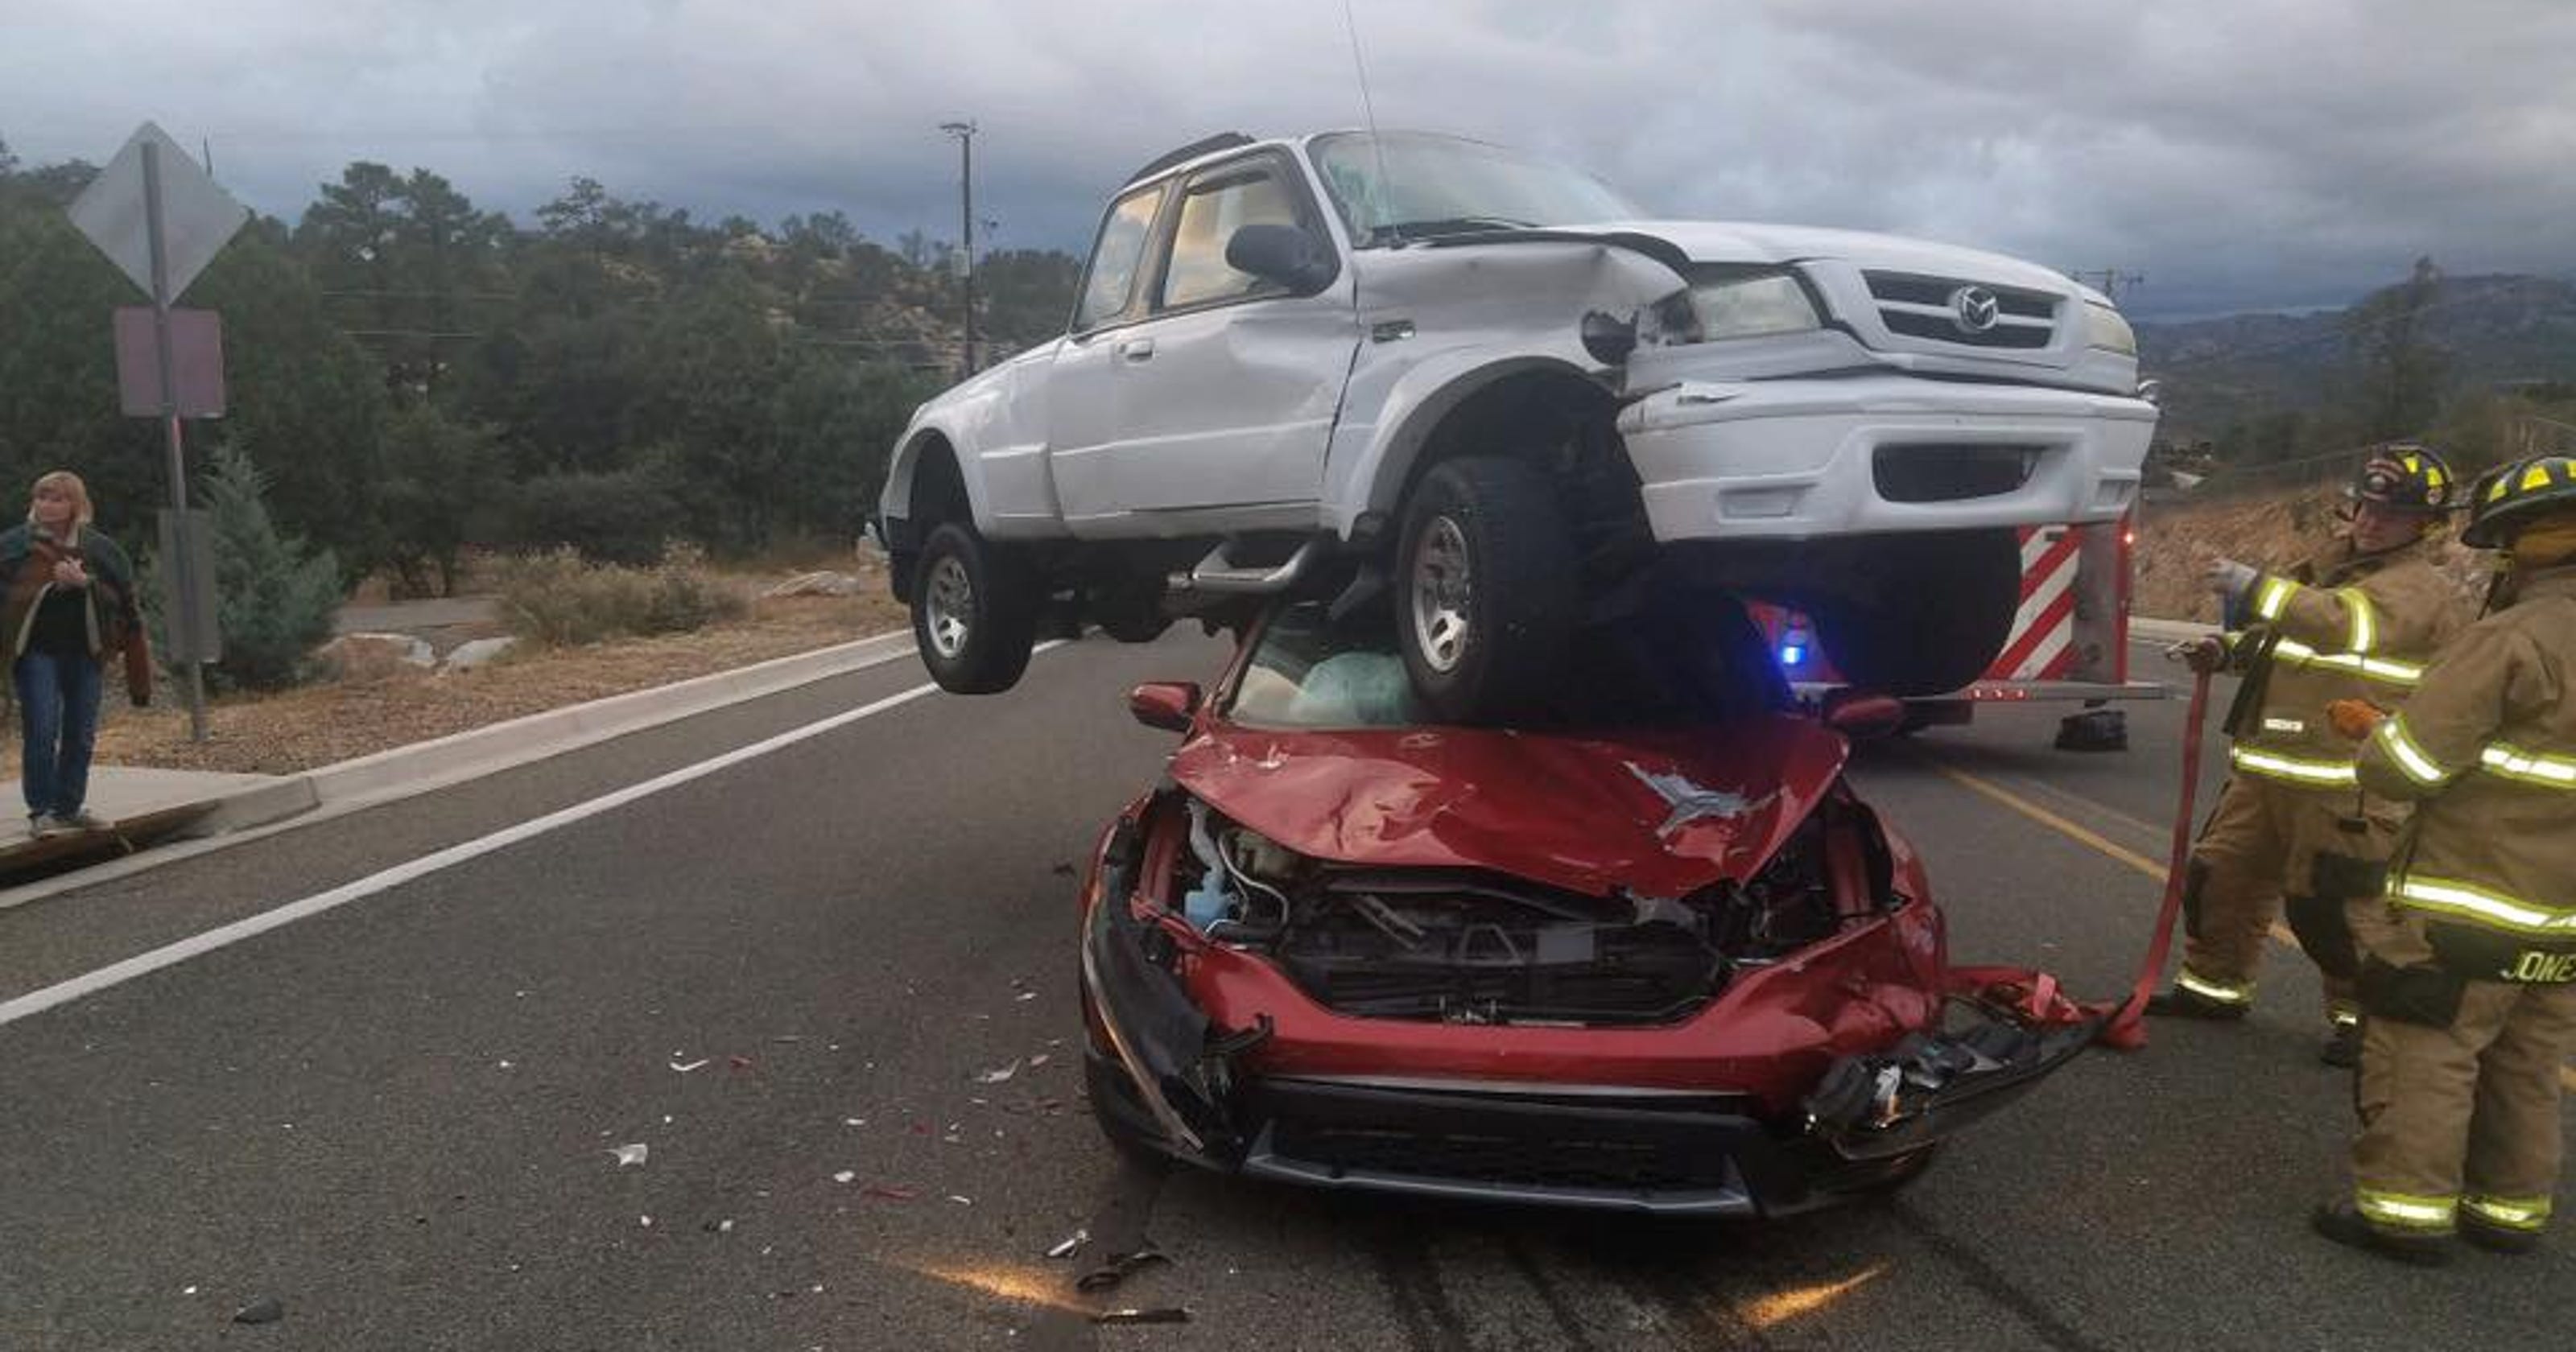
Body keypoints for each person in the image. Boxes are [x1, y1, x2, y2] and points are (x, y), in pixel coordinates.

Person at [2309, 452, 2576, 1264]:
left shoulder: (2510, 638)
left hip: (2466, 899)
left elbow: (2410, 766)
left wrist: (2374, 734)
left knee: (2427, 1049)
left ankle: (2405, 1215)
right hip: (2560, 916)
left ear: (2523, 546)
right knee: (2525, 1061)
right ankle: (2508, 1209)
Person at [2150, 444, 2471, 1066]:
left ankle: (2364, 1023)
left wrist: (2256, 588)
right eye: (2368, 507)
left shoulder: (2416, 590)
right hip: (2266, 770)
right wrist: (2230, 650)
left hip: (2345, 786)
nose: (2373, 522)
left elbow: (2339, 627)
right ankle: (2214, 987)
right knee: (2220, 881)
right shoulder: (2329, 569)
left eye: (2394, 514)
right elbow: (2290, 639)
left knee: (2337, 909)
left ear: (2425, 527)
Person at [1, 471, 152, 837]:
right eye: (41, 497)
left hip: (86, 653)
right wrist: (49, 586)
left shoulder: (100, 550)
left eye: (57, 498)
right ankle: (41, 810)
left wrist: (86, 585)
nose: (47, 505)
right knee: (42, 729)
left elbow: (125, 605)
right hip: (35, 653)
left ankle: (69, 806)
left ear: (75, 505)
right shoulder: (14, 547)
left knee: (81, 733)